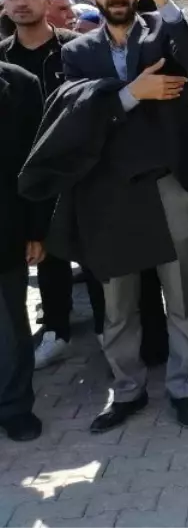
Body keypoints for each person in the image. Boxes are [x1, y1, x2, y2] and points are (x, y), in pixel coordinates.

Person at [21, 0, 188, 433]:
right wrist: (130, 95)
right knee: (118, 304)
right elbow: (80, 118)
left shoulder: (161, 30)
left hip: (167, 186)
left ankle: (184, 387)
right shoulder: (77, 52)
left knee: (182, 299)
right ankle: (127, 390)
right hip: (109, 193)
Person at [0, 0, 103, 370]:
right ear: (5, 2)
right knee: (47, 256)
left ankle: (105, 328)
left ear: (47, 0)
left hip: (81, 170)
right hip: (30, 178)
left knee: (94, 256)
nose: (22, 1)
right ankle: (56, 330)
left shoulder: (77, 49)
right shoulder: (3, 58)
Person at [0, 60, 47, 442]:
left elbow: (35, 164)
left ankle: (14, 405)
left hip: (6, 227)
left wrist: (36, 229)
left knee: (11, 326)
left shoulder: (19, 84)